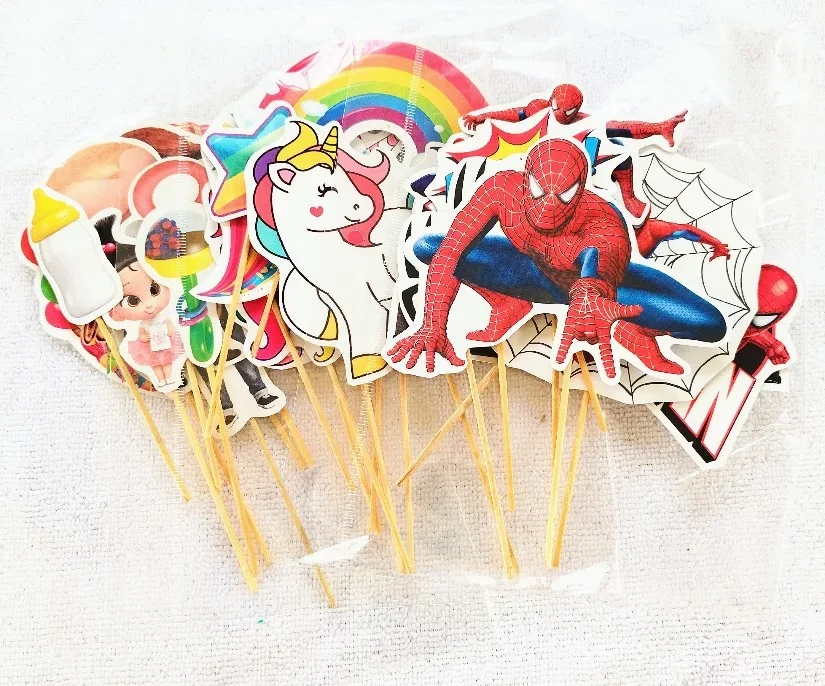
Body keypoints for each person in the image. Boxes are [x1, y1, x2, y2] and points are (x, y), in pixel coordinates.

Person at [388, 138, 726, 378]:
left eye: (564, 194)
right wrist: (432, 326)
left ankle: (631, 330)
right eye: (539, 190)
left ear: (580, 190)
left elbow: (598, 267)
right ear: (525, 179)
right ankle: (506, 304)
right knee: (429, 246)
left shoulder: (603, 219)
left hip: (611, 288)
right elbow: (450, 251)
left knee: (709, 324)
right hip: (532, 273)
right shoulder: (500, 190)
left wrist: (593, 301)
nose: (549, 206)